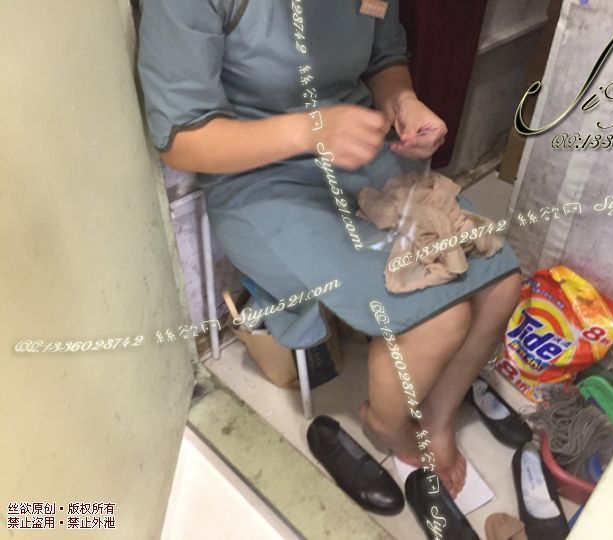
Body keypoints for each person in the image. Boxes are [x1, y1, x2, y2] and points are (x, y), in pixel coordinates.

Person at [136, 0, 521, 498]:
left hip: (356, 151)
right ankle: (386, 424)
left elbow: (384, 58)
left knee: (500, 283)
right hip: (257, 177)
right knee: (438, 320)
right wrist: (311, 130)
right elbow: (181, 138)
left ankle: (438, 417)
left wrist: (402, 101)